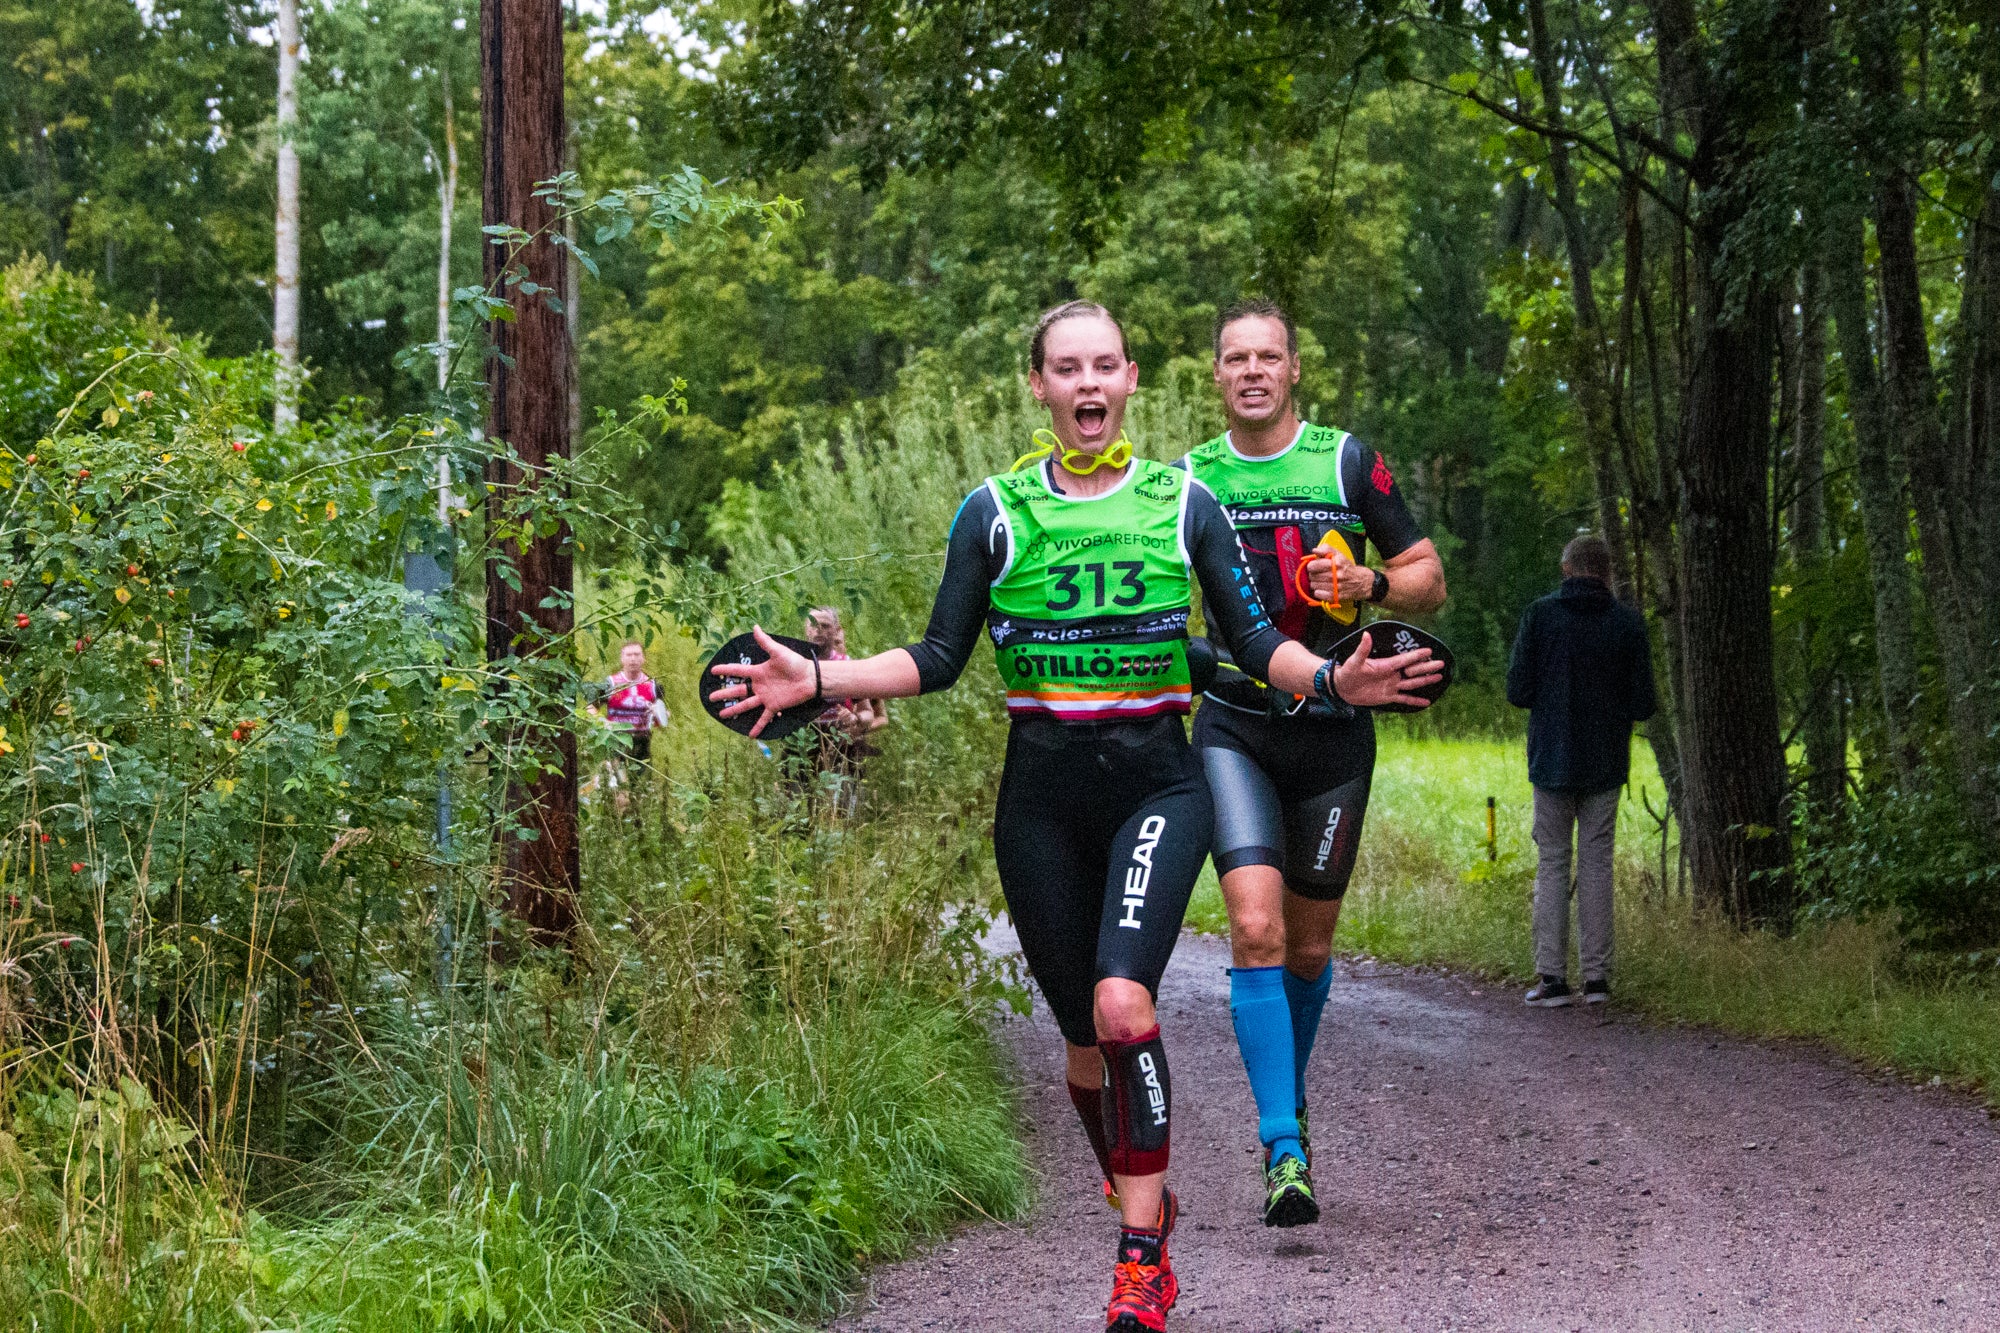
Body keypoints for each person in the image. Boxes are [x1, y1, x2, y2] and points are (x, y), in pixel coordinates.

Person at [711, 301, 1440, 1332]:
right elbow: (935, 659)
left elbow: (1247, 643)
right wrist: (819, 676)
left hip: (1156, 787)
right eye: (1066, 369)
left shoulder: (1184, 501)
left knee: (1121, 1005)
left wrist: (1329, 681)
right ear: (1038, 388)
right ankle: (1136, 1182)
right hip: (1039, 803)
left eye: (1104, 366)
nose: (1087, 385)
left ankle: (1140, 1260)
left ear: (1131, 380)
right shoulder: (994, 512)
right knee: (1079, 1048)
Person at [1178, 298, 1446, 1228]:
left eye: (1268, 356)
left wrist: (1370, 582)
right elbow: (1158, 617)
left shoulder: (1344, 459)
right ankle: (1283, 1141)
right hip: (1235, 726)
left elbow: (1428, 574)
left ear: (1293, 370)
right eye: (1234, 357)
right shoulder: (1187, 481)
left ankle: (1287, 1111)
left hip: (1334, 734)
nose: (1252, 370)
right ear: (1214, 374)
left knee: (1310, 942)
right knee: (1253, 928)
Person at [1505, 533, 1656, 1008]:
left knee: (1552, 863)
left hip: (1550, 758)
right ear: (1607, 571)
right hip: (1605, 762)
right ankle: (1597, 981)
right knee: (1596, 865)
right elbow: (1644, 703)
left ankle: (1551, 979)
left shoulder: (1540, 616)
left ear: (1566, 568)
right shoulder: (1627, 624)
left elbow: (1518, 691)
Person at [795, 607, 887, 814]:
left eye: (825, 626)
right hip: (803, 740)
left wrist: (854, 718)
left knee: (843, 811)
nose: (819, 630)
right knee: (799, 808)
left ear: (836, 630)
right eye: (813, 625)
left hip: (841, 741)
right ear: (806, 629)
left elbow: (870, 714)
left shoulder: (848, 667)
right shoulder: (796, 662)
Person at [603, 639, 669, 771]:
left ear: (643, 658)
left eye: (637, 655)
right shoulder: (610, 683)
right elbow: (590, 707)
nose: (633, 659)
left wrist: (660, 715)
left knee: (640, 786)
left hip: (641, 742)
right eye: (629, 655)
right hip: (616, 739)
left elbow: (664, 715)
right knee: (621, 786)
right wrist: (602, 722)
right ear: (622, 659)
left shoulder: (653, 685)